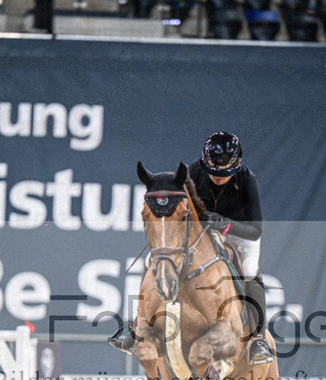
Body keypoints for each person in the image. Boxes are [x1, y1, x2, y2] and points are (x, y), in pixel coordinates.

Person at [110, 131, 274, 365]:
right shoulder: (194, 172)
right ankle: (136, 327)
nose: (218, 178)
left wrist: (224, 222)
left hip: (238, 233)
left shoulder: (247, 180)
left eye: (224, 174)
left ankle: (258, 339)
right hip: (202, 231)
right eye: (214, 173)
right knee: (154, 262)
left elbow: (255, 229)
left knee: (249, 271)